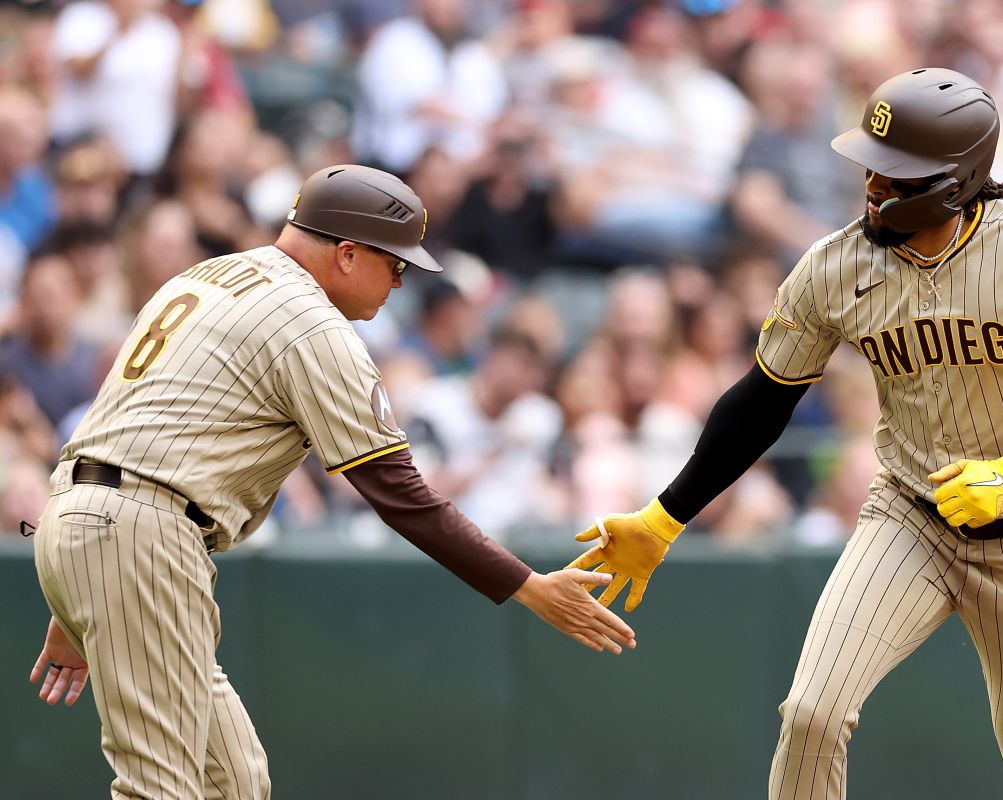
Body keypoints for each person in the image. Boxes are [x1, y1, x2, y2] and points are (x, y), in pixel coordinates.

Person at [569, 68, 1003, 800]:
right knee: (812, 715)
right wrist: (666, 515)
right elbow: (762, 400)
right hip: (911, 519)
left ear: (953, 182)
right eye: (871, 168)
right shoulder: (833, 265)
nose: (874, 186)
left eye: (896, 176)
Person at [27, 164, 636, 800]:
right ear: (347, 253)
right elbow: (401, 496)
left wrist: (81, 599)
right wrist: (530, 586)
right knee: (160, 789)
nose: (402, 281)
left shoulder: (209, 277)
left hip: (92, 518)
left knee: (233, 782)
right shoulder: (309, 321)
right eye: (395, 264)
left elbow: (125, 431)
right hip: (139, 533)